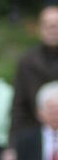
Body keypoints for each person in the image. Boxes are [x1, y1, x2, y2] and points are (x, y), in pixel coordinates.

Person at [11, 8, 58, 141]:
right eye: (48, 25)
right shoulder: (27, 62)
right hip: (34, 136)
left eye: (57, 25)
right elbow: (18, 106)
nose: (53, 29)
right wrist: (14, 143)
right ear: (40, 29)